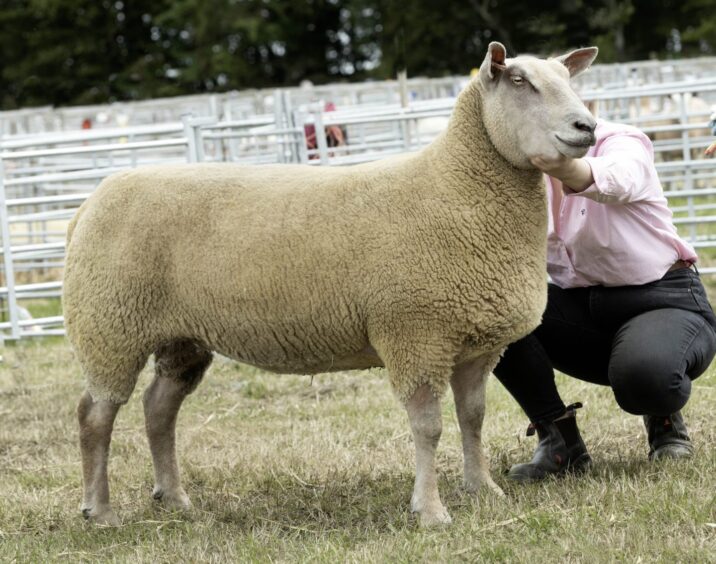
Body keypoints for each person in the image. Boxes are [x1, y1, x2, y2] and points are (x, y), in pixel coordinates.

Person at [492, 115, 716, 482]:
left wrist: (561, 165)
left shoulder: (621, 140)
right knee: (494, 310)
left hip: (662, 297)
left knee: (645, 375)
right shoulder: (515, 172)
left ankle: (662, 417)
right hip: (582, 307)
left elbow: (620, 177)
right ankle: (559, 441)